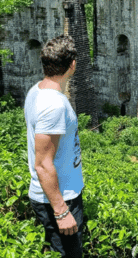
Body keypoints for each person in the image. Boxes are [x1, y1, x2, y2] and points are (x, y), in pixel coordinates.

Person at [24, 35, 84, 257]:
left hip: (58, 194)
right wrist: (61, 211)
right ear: (72, 65)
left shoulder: (36, 91)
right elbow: (42, 164)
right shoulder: (54, 105)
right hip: (59, 199)